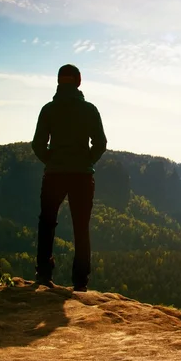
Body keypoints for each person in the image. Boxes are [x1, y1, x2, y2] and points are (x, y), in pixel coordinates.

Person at [31, 64, 107, 291]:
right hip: (82, 177)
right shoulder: (89, 110)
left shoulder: (48, 110)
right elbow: (100, 144)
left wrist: (53, 162)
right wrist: (86, 162)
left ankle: (43, 275)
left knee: (46, 223)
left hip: (54, 175)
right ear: (78, 81)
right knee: (81, 228)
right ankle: (80, 283)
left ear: (58, 82)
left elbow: (37, 144)